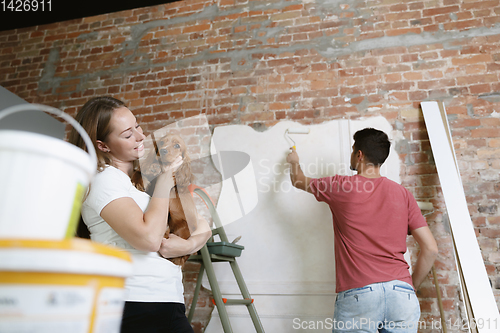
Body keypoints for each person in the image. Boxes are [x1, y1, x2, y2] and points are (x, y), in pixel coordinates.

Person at [69, 96, 211, 333]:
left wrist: (186, 247)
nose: (140, 136)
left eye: (137, 125)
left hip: (167, 299)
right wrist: (166, 177)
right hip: (132, 303)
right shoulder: (104, 180)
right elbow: (149, 239)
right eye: (127, 134)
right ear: (103, 145)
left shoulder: (141, 181)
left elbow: (203, 224)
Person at [287, 128, 438, 333]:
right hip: (401, 295)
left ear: (359, 155)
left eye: (352, 150)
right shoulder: (403, 194)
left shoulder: (340, 186)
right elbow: (430, 248)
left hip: (359, 295)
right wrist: (410, 286)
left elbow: (298, 180)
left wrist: (294, 161)